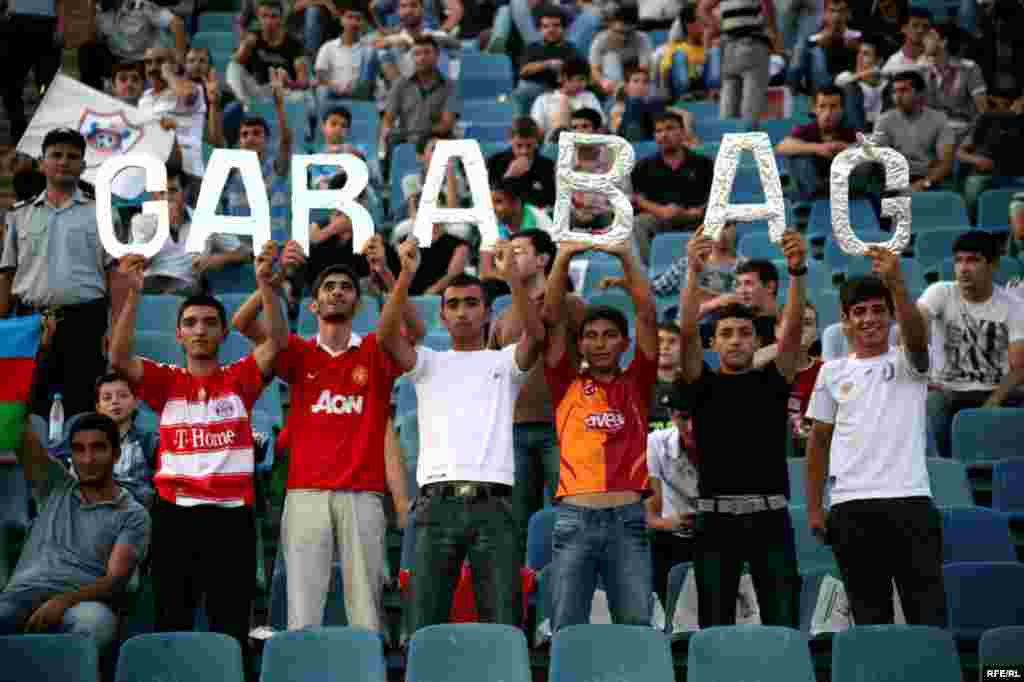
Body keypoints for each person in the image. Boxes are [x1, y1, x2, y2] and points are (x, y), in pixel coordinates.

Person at [108, 243, 288, 654]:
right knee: (174, 622)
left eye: (209, 322)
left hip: (231, 519)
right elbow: (118, 358)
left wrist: (265, 285)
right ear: (179, 334)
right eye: (191, 322)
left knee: (230, 625)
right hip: (175, 517)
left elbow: (277, 344)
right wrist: (134, 293)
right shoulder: (166, 382)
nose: (200, 329)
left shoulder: (239, 380)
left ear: (224, 333)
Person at [231, 250, 418, 632]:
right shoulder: (298, 351)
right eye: (329, 287)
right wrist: (271, 279)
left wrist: (391, 275)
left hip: (363, 493)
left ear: (357, 302)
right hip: (305, 494)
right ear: (314, 304)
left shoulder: (376, 351)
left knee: (366, 610)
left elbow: (413, 331)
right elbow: (244, 321)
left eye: (346, 287)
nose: (337, 292)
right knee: (303, 611)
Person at [378, 240, 545, 632]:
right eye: (453, 304)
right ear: (442, 315)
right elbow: (386, 336)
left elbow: (536, 335)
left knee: (503, 625)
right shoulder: (427, 362)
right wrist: (404, 274)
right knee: (423, 624)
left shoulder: (504, 362)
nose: (462, 312)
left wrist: (512, 279)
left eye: (471, 303)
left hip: (496, 506)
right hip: (435, 505)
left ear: (488, 312)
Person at [677, 228, 808, 628]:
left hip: (771, 520)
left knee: (782, 622)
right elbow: (685, 332)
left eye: (745, 333)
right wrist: (693, 274)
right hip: (715, 523)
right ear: (714, 343)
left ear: (756, 340)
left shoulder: (772, 379)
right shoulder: (702, 383)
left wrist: (798, 271)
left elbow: (793, 333)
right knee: (715, 624)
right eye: (727, 334)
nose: (736, 340)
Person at [805, 265, 945, 626]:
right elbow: (818, 443)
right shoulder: (831, 372)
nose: (869, 319)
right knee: (870, 617)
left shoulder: (910, 361)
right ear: (846, 319)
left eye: (878, 310)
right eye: (859, 311)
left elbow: (915, 337)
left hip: (910, 500)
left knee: (926, 615)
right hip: (851, 507)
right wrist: (815, 509)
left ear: (891, 314)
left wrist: (898, 284)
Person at [0, 413, 150, 654]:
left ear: (116, 453)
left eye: (98, 448)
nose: (88, 459)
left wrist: (62, 601)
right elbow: (19, 432)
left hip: (83, 603)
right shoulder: (55, 486)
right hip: (23, 595)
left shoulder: (133, 514)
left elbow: (115, 582)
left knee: (92, 625)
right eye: (79, 450)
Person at [0, 128, 116, 420]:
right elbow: (7, 275)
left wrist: (113, 329)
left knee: (83, 402)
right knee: (27, 403)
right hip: (29, 321)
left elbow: (115, 276)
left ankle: (76, 465)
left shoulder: (102, 213)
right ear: (42, 163)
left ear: (83, 166)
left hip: (86, 320)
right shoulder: (18, 214)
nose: (64, 161)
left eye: (72, 156)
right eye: (56, 155)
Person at [488, 229, 585, 542]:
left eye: (518, 251)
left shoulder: (572, 305)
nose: (509, 258)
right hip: (513, 429)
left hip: (562, 426)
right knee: (517, 523)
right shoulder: (502, 318)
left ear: (543, 260)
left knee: (573, 514)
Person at [918, 231, 1024, 458]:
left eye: (973, 260)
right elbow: (916, 326)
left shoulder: (1014, 306)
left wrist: (993, 402)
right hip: (947, 391)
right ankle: (942, 468)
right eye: (959, 261)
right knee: (931, 404)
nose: (964, 268)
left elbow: (1019, 366)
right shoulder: (940, 292)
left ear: (993, 265)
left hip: (997, 390)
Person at [140, 163, 251, 295]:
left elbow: (245, 253)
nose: (167, 198)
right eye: (161, 193)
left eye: (173, 191)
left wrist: (218, 258)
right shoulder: (144, 223)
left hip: (189, 290)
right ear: (155, 196)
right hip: (153, 288)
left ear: (184, 192)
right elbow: (137, 264)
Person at [631, 112, 715, 264]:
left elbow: (715, 195)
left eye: (670, 129)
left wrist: (695, 213)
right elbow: (638, 198)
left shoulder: (704, 163)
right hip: (659, 219)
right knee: (637, 224)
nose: (664, 135)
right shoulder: (643, 166)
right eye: (659, 131)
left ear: (683, 133)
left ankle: (708, 267)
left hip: (696, 218)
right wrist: (661, 211)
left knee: (724, 222)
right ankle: (651, 269)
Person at [646, 391, 699, 610]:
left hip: (718, 532)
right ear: (671, 415)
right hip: (672, 535)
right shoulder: (656, 442)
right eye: (684, 417)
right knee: (655, 539)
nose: (692, 426)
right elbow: (652, 517)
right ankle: (666, 620)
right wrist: (673, 523)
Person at [698, 0, 783, 124]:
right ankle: (747, 141)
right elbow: (768, 8)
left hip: (729, 46)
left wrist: (719, 27)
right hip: (753, 45)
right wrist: (775, 36)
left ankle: (727, 135)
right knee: (751, 107)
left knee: (728, 104)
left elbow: (702, 8)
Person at [754, 303, 822, 456]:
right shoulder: (761, 367)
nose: (799, 329)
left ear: (816, 334)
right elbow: (741, 367)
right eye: (793, 323)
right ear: (777, 331)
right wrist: (788, 343)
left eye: (808, 323)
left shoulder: (826, 371)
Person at [873, 70, 955, 192]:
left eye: (904, 90)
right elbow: (880, 158)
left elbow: (945, 163)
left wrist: (924, 184)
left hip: (929, 179)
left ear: (920, 94)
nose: (897, 96)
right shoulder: (884, 120)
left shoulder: (939, 119)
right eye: (895, 91)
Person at [79, 0, 187, 92]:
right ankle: (91, 95)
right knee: (87, 50)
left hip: (143, 60)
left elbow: (176, 23)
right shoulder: (98, 11)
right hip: (116, 60)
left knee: (158, 63)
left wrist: (179, 59)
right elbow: (90, 40)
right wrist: (90, 11)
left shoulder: (140, 5)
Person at [776, 85, 859, 201]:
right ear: (815, 109)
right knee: (799, 159)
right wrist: (818, 148)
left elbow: (869, 150)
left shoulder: (849, 131)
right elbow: (782, 146)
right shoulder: (807, 130)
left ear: (842, 109)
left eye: (833, 107)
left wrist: (846, 148)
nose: (828, 112)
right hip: (812, 187)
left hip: (840, 186)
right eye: (822, 106)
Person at [381, 35, 461, 152]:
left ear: (437, 56)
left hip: (437, 141)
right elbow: (388, 120)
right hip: (406, 140)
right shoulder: (400, 85)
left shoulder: (451, 87)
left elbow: (445, 125)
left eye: (427, 53)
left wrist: (418, 134)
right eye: (417, 54)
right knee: (390, 142)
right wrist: (386, 137)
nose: (422, 58)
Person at [92, 373, 160, 510]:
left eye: (122, 395)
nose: (115, 402)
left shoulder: (150, 442)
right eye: (107, 398)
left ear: (135, 402)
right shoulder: (88, 443)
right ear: (98, 407)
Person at [227, 0, 309, 112]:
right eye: (264, 16)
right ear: (258, 18)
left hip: (284, 91)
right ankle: (244, 103)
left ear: (281, 19)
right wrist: (245, 46)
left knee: (302, 98)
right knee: (233, 67)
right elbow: (235, 66)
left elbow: (303, 82)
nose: (269, 21)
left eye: (273, 16)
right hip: (258, 89)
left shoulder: (294, 44)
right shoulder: (252, 38)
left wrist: (290, 83)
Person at [0, 0, 63, 142]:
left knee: (45, 85)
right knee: (11, 84)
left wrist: (60, 27)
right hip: (15, 22)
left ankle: (45, 129)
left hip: (46, 24)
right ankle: (18, 128)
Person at [956, 88, 1024, 218]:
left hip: (1016, 175)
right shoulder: (987, 120)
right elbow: (959, 152)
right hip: (986, 174)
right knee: (975, 186)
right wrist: (977, 160)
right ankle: (969, 224)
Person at [921, 22, 988, 143]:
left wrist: (969, 138)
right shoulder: (924, 71)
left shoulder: (969, 68)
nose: (924, 40)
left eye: (930, 36)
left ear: (943, 42)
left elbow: (982, 111)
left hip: (962, 135)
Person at [513, 6, 582, 115]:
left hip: (563, 90)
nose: (551, 29)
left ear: (564, 28)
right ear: (540, 29)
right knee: (524, 89)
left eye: (556, 25)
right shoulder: (532, 47)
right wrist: (547, 64)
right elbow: (523, 71)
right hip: (535, 87)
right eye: (546, 26)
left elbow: (579, 76)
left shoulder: (571, 49)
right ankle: (525, 126)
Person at [788, 0, 861, 95]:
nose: (836, 16)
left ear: (847, 14)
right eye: (832, 11)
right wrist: (818, 47)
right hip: (820, 91)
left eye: (841, 11)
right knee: (811, 50)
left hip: (850, 89)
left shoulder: (858, 37)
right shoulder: (811, 39)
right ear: (825, 14)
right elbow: (794, 70)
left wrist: (857, 49)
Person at [313, 4, 374, 113]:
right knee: (322, 90)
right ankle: (322, 125)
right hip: (333, 91)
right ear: (342, 20)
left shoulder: (368, 50)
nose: (353, 22)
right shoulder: (328, 47)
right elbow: (320, 75)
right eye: (349, 17)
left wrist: (355, 88)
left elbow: (369, 81)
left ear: (363, 23)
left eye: (358, 19)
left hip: (358, 93)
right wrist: (334, 86)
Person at [486, 118, 557, 210]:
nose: (524, 151)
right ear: (510, 140)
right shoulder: (495, 162)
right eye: (519, 146)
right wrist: (509, 175)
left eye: (529, 146)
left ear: (536, 142)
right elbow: (491, 199)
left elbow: (550, 200)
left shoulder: (546, 166)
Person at [530, 57, 604, 143]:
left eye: (585, 80)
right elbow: (537, 131)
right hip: (553, 148)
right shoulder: (543, 100)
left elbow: (600, 125)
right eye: (580, 79)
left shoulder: (589, 97)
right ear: (564, 78)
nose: (583, 84)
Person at [589, 6, 654, 97]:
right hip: (612, 82)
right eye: (619, 32)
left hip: (634, 79)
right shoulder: (600, 40)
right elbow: (594, 70)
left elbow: (644, 69)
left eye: (628, 33)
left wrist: (631, 84)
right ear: (610, 26)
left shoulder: (642, 38)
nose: (623, 38)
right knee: (610, 57)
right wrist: (604, 82)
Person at [835, 38, 886, 131]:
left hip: (881, 129)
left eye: (865, 54)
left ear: (879, 61)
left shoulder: (886, 84)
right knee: (850, 87)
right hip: (857, 130)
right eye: (859, 53)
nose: (859, 57)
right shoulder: (847, 77)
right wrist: (866, 73)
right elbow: (839, 82)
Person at [881, 7, 931, 75]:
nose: (920, 30)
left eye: (925, 26)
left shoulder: (936, 60)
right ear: (904, 28)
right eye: (915, 25)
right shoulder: (892, 64)